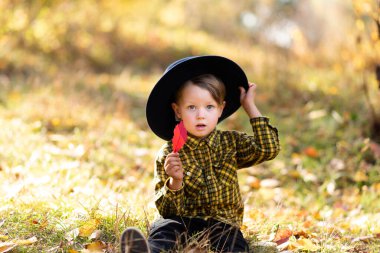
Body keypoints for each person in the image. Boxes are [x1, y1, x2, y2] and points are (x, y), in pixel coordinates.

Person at [121, 55, 280, 253]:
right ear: (177, 111)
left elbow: (268, 149)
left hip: (222, 223)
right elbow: (167, 210)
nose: (201, 115)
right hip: (181, 220)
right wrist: (175, 182)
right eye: (191, 107)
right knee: (164, 231)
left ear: (221, 109)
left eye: (209, 107)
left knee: (233, 243)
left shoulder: (230, 143)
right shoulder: (170, 154)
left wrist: (250, 108)